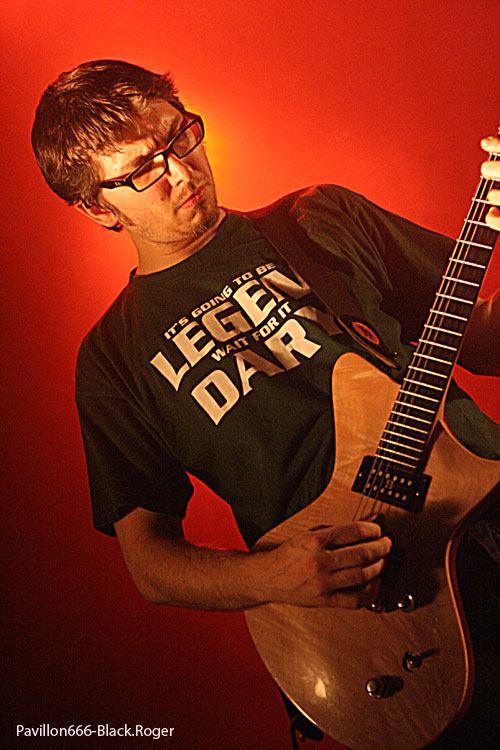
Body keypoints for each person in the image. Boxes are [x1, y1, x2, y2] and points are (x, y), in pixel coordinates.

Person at [31, 60, 500, 747]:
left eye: (180, 136)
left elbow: (482, 339)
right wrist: (273, 576)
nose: (182, 171)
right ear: (98, 207)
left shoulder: (320, 217)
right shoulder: (113, 359)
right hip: (373, 611)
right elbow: (149, 560)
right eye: (144, 169)